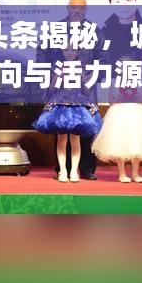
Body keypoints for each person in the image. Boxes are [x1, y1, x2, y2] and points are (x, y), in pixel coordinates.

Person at [36, 0, 107, 180]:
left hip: (85, 87)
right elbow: (41, 55)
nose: (77, 11)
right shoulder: (55, 29)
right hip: (60, 87)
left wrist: (93, 76)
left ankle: (87, 169)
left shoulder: (94, 30)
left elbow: (103, 57)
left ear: (86, 10)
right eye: (74, 7)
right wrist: (51, 76)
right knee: (61, 129)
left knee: (87, 128)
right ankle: (62, 169)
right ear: (67, 8)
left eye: (81, 8)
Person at [91, 56, 142, 182]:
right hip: (118, 114)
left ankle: (135, 173)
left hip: (137, 114)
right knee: (119, 143)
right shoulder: (114, 82)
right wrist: (117, 99)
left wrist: (138, 97)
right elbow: (111, 101)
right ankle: (122, 174)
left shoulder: (138, 82)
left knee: (136, 143)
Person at [32, 45, 103, 182]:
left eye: (73, 50)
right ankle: (63, 171)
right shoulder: (59, 67)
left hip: (78, 104)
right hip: (61, 104)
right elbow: (52, 90)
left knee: (76, 139)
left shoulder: (81, 68)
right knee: (61, 139)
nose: (69, 53)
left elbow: (86, 92)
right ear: (62, 52)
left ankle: (74, 171)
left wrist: (83, 79)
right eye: (66, 50)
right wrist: (56, 78)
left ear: (78, 52)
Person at [101, 0, 142, 67]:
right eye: (117, 2)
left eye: (128, 0)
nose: (123, 5)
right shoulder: (104, 33)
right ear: (111, 4)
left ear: (136, 1)